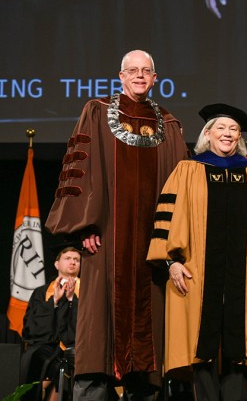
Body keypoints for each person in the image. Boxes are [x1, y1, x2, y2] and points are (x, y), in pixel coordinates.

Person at [45, 50, 189, 399]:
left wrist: (172, 241)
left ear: (156, 78)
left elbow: (180, 186)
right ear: (120, 76)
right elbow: (82, 169)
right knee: (100, 322)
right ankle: (94, 388)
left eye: (146, 71)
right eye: (133, 70)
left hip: (151, 242)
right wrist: (84, 227)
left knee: (149, 320)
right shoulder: (97, 112)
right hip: (105, 235)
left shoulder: (168, 124)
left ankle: (145, 388)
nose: (140, 76)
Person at [147, 103, 247, 400]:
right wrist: (171, 262)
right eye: (221, 127)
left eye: (234, 130)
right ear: (207, 133)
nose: (228, 134)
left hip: (241, 276)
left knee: (238, 347)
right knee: (200, 348)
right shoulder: (188, 170)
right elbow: (166, 217)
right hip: (195, 272)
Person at [21, 244, 81, 401]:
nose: (73, 262)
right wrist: (54, 300)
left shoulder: (87, 291)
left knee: (65, 363)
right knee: (40, 358)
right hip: (46, 347)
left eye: (77, 259)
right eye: (67, 258)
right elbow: (32, 328)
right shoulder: (42, 292)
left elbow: (86, 327)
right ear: (56, 264)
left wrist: (70, 300)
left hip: (77, 348)